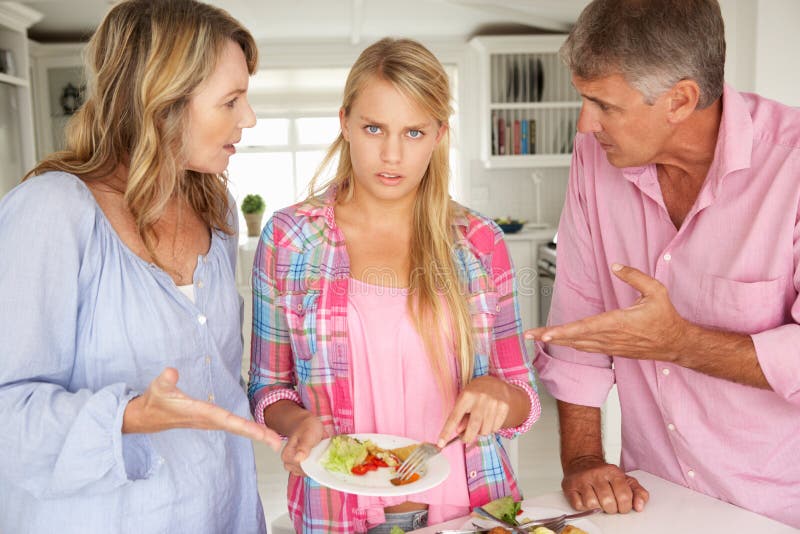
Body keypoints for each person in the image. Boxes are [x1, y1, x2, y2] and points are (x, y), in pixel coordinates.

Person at [0, 1, 282, 532]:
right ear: (163, 102)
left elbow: (217, 378)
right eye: (231, 100)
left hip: (222, 513)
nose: (248, 118)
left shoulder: (215, 209)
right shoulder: (51, 211)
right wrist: (128, 416)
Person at [248, 37, 541, 533]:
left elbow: (522, 397)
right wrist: (297, 424)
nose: (391, 153)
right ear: (344, 122)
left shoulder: (479, 242)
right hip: (337, 508)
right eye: (373, 128)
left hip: (473, 507)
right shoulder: (289, 239)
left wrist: (498, 393)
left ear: (439, 134)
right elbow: (267, 388)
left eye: (413, 132)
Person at [524, 0, 800, 528]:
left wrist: (678, 342)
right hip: (653, 500)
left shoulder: (792, 165)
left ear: (680, 100)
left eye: (603, 104)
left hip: (776, 511)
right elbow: (579, 331)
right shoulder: (593, 156)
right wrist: (583, 459)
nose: (586, 122)